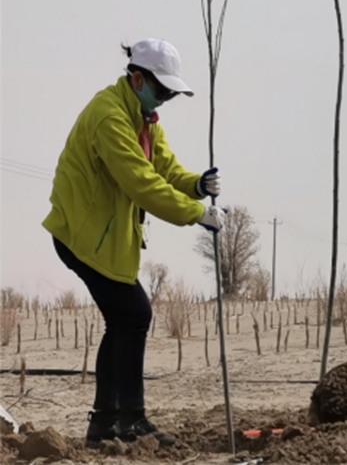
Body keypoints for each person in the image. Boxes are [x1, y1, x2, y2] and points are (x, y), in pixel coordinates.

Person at [43, 39, 227, 447]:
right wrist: (196, 213)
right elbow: (140, 182)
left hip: (107, 239)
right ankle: (131, 421)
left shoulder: (145, 117)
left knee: (123, 320)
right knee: (135, 314)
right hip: (80, 236)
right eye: (161, 90)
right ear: (137, 78)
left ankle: (105, 423)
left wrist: (195, 185)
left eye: (170, 94)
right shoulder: (109, 117)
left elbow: (164, 167)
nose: (165, 99)